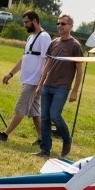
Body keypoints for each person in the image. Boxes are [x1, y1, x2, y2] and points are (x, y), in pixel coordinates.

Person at [0, 11, 52, 144]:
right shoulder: (31, 38)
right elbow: (25, 58)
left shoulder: (44, 37)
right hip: (28, 79)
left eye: (26, 22)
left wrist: (41, 82)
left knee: (20, 107)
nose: (24, 25)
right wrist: (11, 74)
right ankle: (42, 138)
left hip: (34, 81)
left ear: (34, 21)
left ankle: (4, 135)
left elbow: (48, 60)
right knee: (35, 111)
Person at [34, 13, 83, 158]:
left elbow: (79, 69)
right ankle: (45, 149)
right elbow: (47, 64)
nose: (59, 26)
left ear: (70, 26)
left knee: (55, 115)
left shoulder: (75, 46)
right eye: (58, 23)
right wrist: (40, 84)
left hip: (62, 87)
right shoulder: (54, 43)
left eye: (63, 24)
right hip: (47, 85)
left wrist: (75, 91)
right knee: (44, 118)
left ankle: (67, 139)